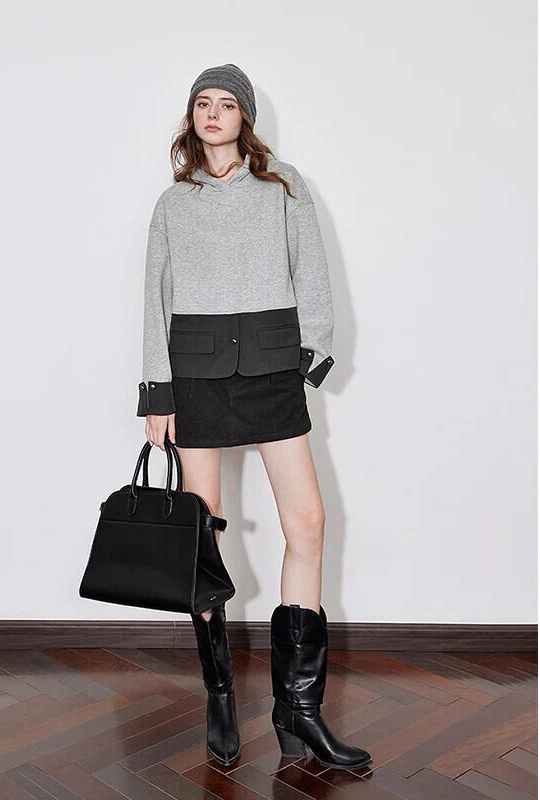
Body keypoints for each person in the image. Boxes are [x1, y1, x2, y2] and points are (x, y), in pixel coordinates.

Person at [136, 63, 371, 771]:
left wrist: (311, 356)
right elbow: (155, 299)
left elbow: (312, 274)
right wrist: (157, 393)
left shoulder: (284, 187)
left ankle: (299, 710)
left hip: (270, 371)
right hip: (197, 376)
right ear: (192, 118)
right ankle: (219, 695)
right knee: (203, 540)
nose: (213, 114)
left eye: (227, 104)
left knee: (309, 523)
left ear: (245, 117)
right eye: (202, 104)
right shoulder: (172, 204)